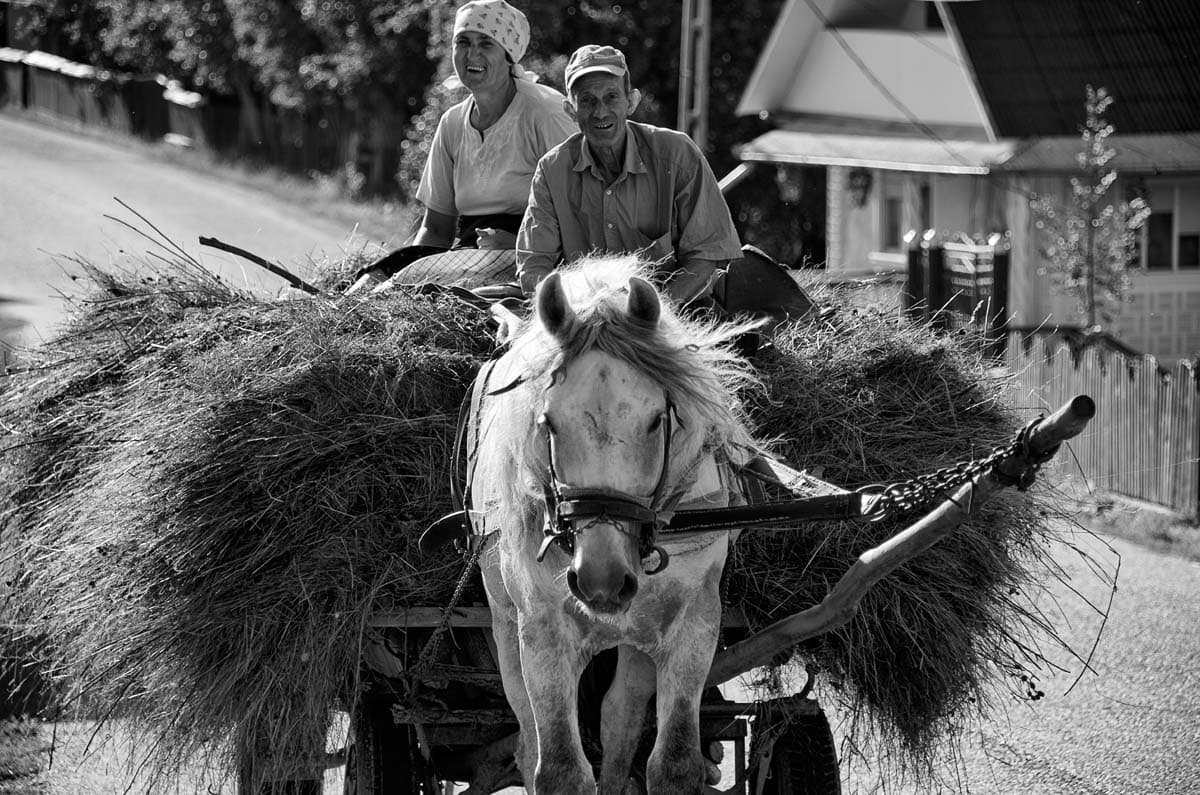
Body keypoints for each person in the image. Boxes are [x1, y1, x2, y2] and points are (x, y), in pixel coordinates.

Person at [352, 0, 576, 289]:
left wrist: (524, 244)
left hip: (533, 260)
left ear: (509, 54)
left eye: (486, 43)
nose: (472, 53)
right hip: (469, 255)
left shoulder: (545, 113)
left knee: (392, 289)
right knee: (375, 282)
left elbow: (581, 210)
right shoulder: (453, 123)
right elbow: (435, 230)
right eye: (463, 42)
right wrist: (412, 267)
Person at [515, 44, 743, 306]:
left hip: (674, 307)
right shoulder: (552, 170)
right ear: (570, 111)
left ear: (631, 102)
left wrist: (652, 313)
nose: (600, 111)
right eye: (587, 100)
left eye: (611, 97)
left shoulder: (677, 153)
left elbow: (706, 257)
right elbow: (534, 265)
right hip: (588, 315)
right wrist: (570, 313)